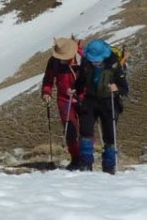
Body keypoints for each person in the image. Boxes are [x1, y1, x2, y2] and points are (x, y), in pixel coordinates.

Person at [74, 38, 128, 174]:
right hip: (90, 100)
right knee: (85, 131)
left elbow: (124, 88)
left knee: (109, 135)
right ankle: (85, 164)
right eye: (93, 59)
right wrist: (75, 90)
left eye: (97, 60)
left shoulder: (114, 64)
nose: (95, 62)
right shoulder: (86, 63)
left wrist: (117, 88)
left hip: (109, 102)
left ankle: (109, 167)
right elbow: (80, 82)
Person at [40, 37, 81, 169]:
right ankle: (75, 159)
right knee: (70, 131)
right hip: (64, 99)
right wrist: (46, 92)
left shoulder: (82, 58)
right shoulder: (54, 61)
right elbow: (48, 79)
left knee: (86, 130)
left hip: (83, 98)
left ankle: (86, 158)